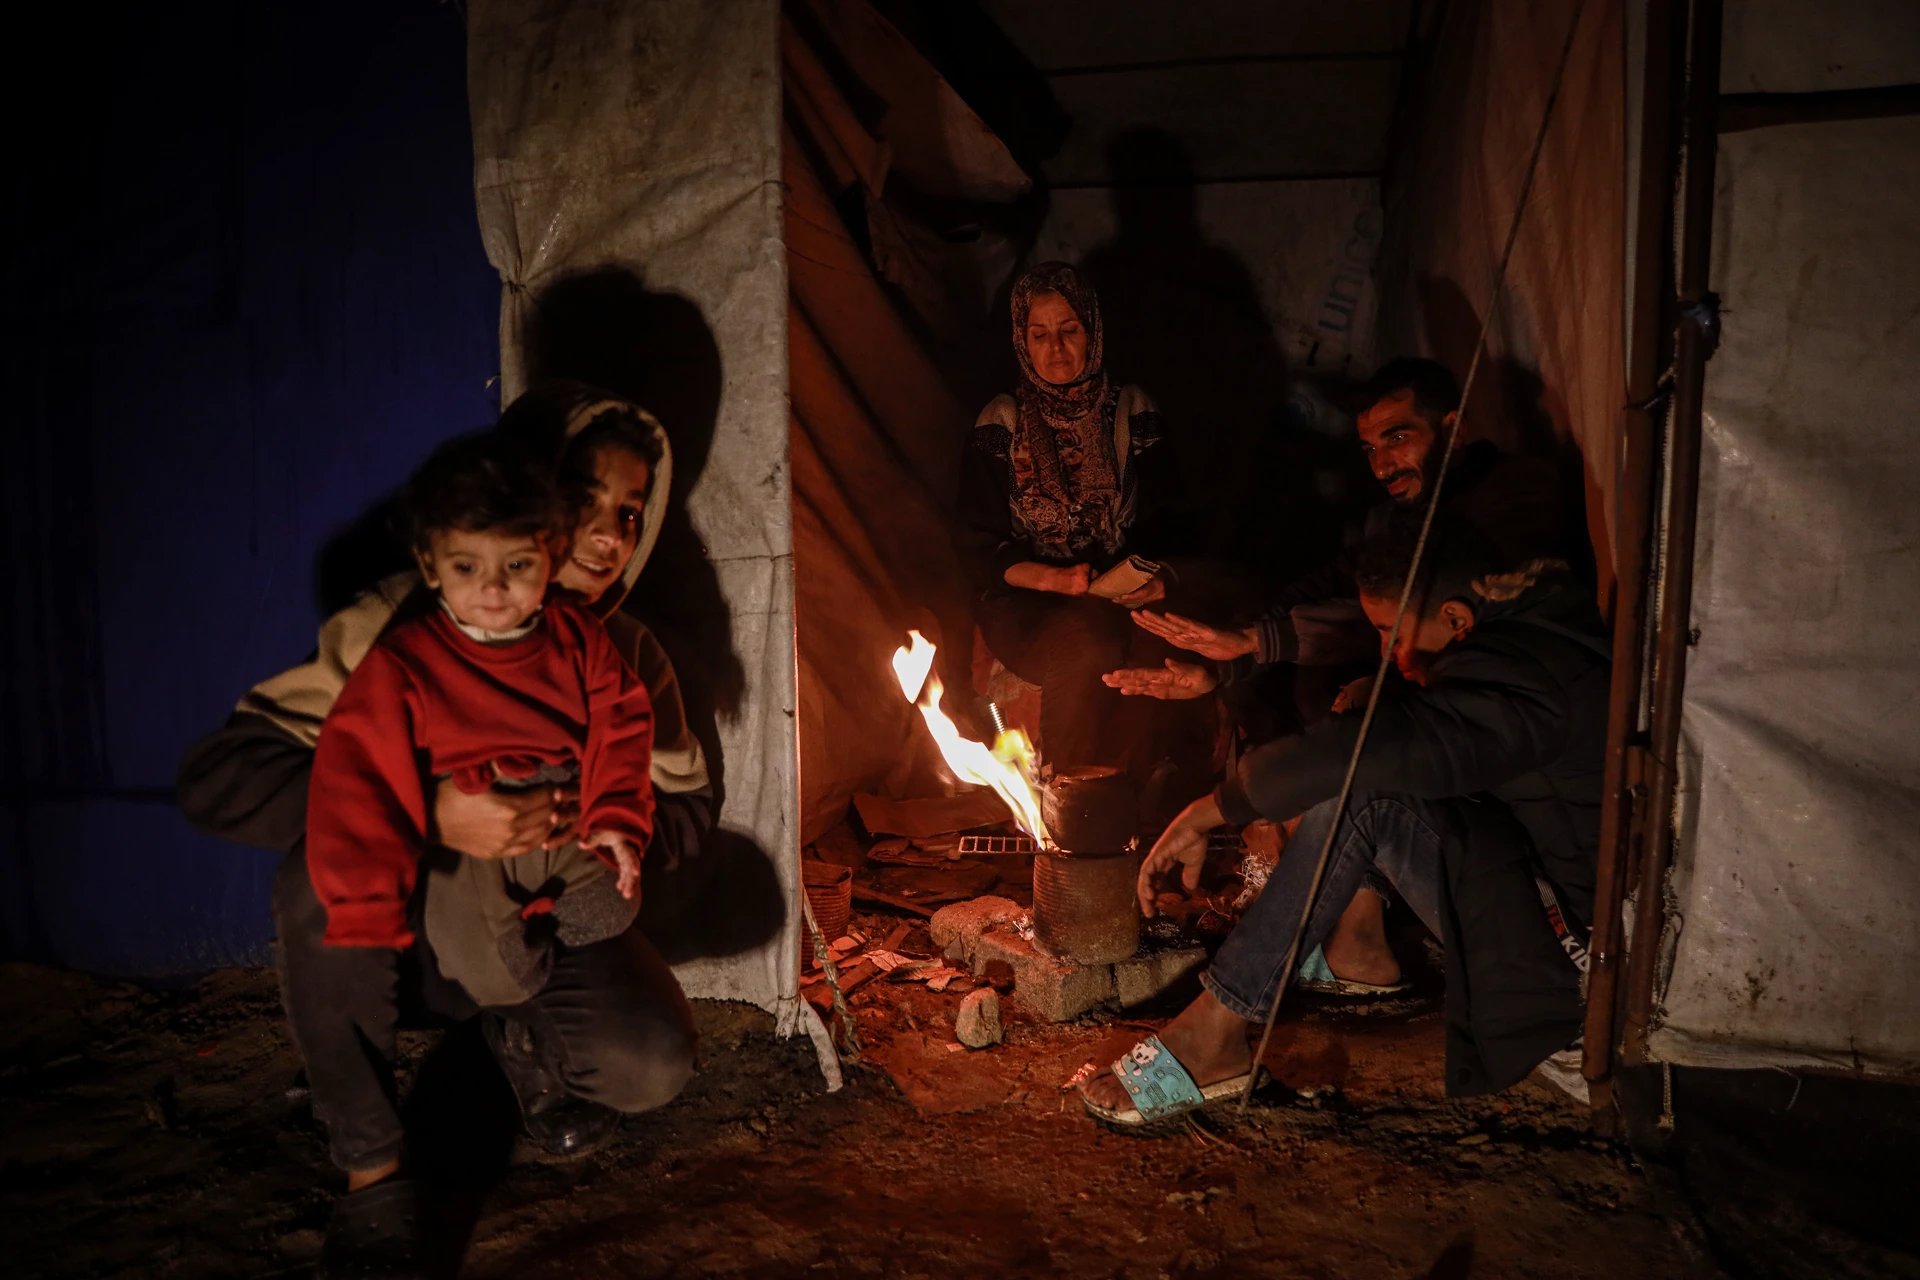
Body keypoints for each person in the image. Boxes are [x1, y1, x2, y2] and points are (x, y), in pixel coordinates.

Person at [176, 387, 709, 1276]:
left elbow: (686, 808)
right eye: (584, 498)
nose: (609, 537)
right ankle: (373, 1172)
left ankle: (521, 1035)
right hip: (412, 931)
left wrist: (597, 821)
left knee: (649, 1063)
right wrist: (430, 813)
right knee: (315, 883)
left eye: (630, 511)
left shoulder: (621, 653)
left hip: (550, 912)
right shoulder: (399, 633)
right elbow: (222, 782)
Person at [1081, 522, 1607, 1126]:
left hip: (1576, 970)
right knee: (1365, 771)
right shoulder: (1532, 641)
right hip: (1533, 893)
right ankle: (1354, 951)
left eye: (1392, 633)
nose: (1386, 652)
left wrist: (1213, 807)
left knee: (1364, 790)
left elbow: (1373, 753)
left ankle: (1213, 1036)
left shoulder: (1528, 679)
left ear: (1457, 619)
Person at [1102, 356, 1585, 987]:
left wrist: (1218, 801)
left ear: (1454, 427)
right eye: (1370, 449)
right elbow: (1345, 593)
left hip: (1533, 879)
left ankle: (1325, 925)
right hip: (1456, 739)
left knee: (1347, 729)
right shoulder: (1394, 516)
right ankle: (1323, 920)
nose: (1382, 465)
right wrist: (1231, 659)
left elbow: (1408, 623)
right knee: (1296, 678)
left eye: (1398, 438)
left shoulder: (1511, 503)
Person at [309, 430, 653, 995]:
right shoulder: (403, 662)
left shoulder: (579, 638)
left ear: (551, 553)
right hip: (471, 828)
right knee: (495, 975)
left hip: (566, 813)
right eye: (467, 568)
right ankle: (504, 991)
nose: (493, 589)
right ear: (430, 565)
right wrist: (365, 901)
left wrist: (615, 816)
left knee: (615, 902)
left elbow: (624, 722)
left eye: (517, 564)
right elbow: (356, 771)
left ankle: (545, 936)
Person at [955, 261, 1183, 779]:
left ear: (1093, 332)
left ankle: (1143, 797)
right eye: (1040, 335)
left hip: (1118, 593)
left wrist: (1151, 575)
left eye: (1069, 330)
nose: (1056, 349)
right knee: (1090, 639)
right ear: (1022, 341)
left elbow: (1171, 517)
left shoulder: (1131, 410)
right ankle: (1066, 793)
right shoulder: (1001, 421)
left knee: (1159, 641)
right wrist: (1054, 580)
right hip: (1025, 605)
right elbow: (974, 545)